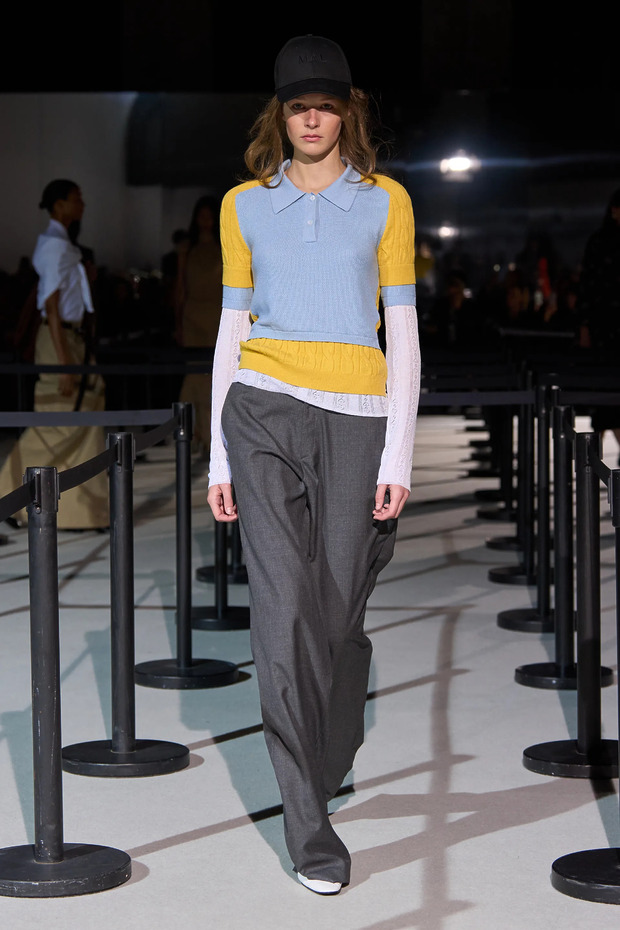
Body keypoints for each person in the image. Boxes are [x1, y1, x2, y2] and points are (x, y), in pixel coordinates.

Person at [207, 36, 420, 894]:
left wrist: (399, 450)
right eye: (299, 106)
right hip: (261, 409)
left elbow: (402, 331)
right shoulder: (244, 206)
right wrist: (218, 455)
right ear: (281, 114)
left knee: (335, 619)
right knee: (280, 613)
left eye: (326, 105)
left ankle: (330, 754)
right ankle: (309, 828)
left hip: (357, 419)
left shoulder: (386, 202)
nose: (312, 119)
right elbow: (231, 329)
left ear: (346, 112)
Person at [0, 179, 108, 529]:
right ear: (59, 205)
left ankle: (83, 509)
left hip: (71, 339)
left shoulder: (62, 245)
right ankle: (8, 494)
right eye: (77, 199)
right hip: (60, 341)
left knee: (85, 413)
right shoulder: (53, 246)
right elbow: (50, 305)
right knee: (57, 419)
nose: (82, 204)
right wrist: (64, 363)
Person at [175, 196, 222, 455]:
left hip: (215, 315)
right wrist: (178, 323)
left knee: (212, 375)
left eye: (209, 216)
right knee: (193, 374)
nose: (205, 221)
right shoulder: (187, 248)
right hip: (192, 316)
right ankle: (190, 433)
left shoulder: (224, 246)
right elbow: (180, 288)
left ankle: (209, 435)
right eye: (201, 216)